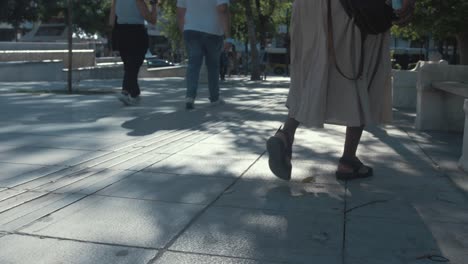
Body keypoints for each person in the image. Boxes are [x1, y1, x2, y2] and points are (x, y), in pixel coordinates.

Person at [266, 0, 416, 181]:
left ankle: (285, 135)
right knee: (361, 68)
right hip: (352, 7)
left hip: (307, 6)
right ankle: (348, 160)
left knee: (314, 69)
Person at [177, 0, 232, 110]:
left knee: (193, 64)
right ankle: (214, 98)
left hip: (191, 30)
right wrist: (228, 36)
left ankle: (190, 97)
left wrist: (184, 32)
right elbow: (222, 9)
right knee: (213, 66)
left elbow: (180, 13)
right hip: (213, 31)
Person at [109, 0, 158, 106]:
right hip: (136, 33)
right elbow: (151, 19)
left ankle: (135, 92)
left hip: (121, 33)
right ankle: (125, 91)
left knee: (129, 65)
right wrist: (154, 5)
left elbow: (111, 21)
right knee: (134, 63)